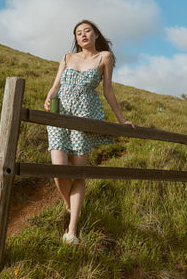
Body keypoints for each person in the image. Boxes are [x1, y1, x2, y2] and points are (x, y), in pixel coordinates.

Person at [44, 19, 135, 244]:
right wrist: (49, 97)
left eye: (87, 31)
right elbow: (56, 85)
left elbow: (108, 91)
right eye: (78, 33)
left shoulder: (104, 57)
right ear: (76, 39)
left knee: (78, 173)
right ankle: (68, 202)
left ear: (95, 35)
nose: (83, 35)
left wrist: (122, 120)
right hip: (59, 115)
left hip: (84, 118)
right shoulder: (66, 58)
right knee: (59, 169)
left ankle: (72, 229)